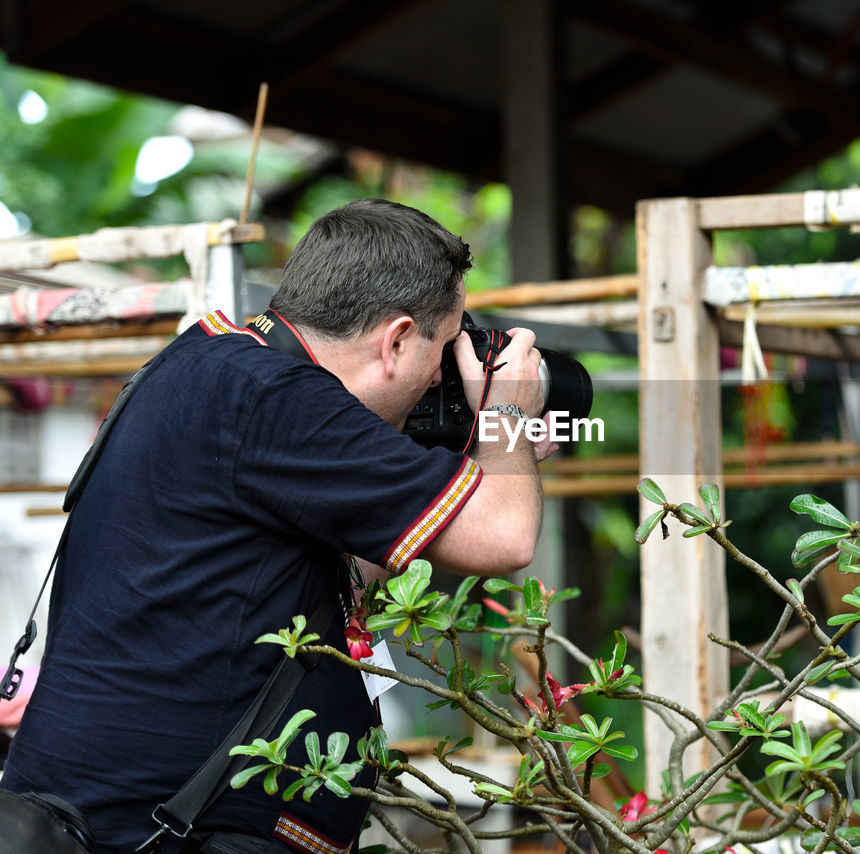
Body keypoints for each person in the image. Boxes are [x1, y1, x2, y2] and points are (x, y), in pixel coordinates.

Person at [0, 199, 553, 854]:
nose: (444, 374)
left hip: (125, 818)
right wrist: (508, 414)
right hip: (162, 831)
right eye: (444, 345)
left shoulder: (212, 363)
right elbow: (506, 539)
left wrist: (484, 459)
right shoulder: (282, 402)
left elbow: (329, 573)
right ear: (398, 340)